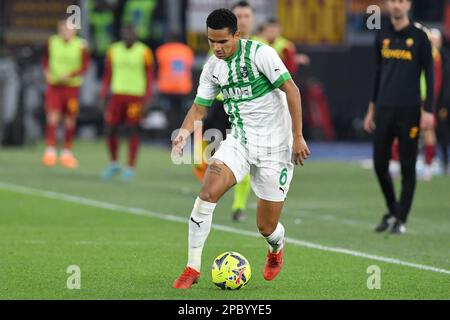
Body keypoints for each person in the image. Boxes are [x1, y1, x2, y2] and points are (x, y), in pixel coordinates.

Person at [172, 8, 310, 289]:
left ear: (236, 34)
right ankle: (192, 267)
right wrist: (183, 134)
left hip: (276, 148)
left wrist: (297, 136)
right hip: (240, 141)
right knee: (207, 193)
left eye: (222, 41)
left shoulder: (261, 54)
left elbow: (292, 91)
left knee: (266, 227)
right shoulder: (212, 67)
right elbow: (199, 108)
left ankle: (276, 247)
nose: (217, 48)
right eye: (211, 41)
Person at [364, 0, 434, 234]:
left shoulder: (420, 36)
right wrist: (371, 109)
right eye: (393, 0)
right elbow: (375, 72)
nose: (397, 5)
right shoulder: (381, 34)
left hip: (410, 110)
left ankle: (400, 219)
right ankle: (394, 209)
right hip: (384, 109)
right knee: (380, 164)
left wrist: (428, 110)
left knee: (407, 165)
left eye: (401, 1)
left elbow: (430, 75)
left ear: (408, 5)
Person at [100, 24, 154, 182]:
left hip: (135, 97)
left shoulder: (144, 52)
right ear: (121, 34)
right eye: (126, 32)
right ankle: (114, 163)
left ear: (136, 34)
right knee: (110, 129)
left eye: (131, 33)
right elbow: (107, 75)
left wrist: (148, 100)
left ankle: (130, 167)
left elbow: (150, 78)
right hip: (116, 96)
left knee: (133, 130)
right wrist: (103, 96)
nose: (128, 35)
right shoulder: (113, 50)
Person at [41, 18, 90, 168]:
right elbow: (45, 60)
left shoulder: (81, 45)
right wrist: (46, 72)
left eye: (68, 30)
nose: (65, 32)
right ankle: (50, 151)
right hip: (55, 86)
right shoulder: (52, 42)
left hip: (71, 87)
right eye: (63, 29)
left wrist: (71, 75)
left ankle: (66, 153)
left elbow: (85, 66)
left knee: (70, 119)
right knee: (53, 116)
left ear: (74, 31)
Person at [155, 34, 195, 143]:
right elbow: (189, 66)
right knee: (183, 115)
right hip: (183, 88)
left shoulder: (162, 50)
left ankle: (171, 139)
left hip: (167, 88)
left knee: (169, 115)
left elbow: (158, 65)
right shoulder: (186, 50)